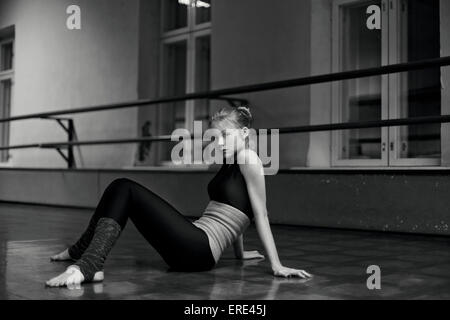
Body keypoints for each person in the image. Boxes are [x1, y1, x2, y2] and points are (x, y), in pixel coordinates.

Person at [45, 106, 312, 287]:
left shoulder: (249, 159)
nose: (218, 142)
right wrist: (240, 255)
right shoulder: (231, 160)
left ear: (244, 134)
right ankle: (83, 251)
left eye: (224, 135)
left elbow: (260, 213)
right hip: (193, 244)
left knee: (124, 186)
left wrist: (277, 265)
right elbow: (237, 209)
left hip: (199, 250)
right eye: (215, 136)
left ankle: (89, 264)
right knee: (118, 188)